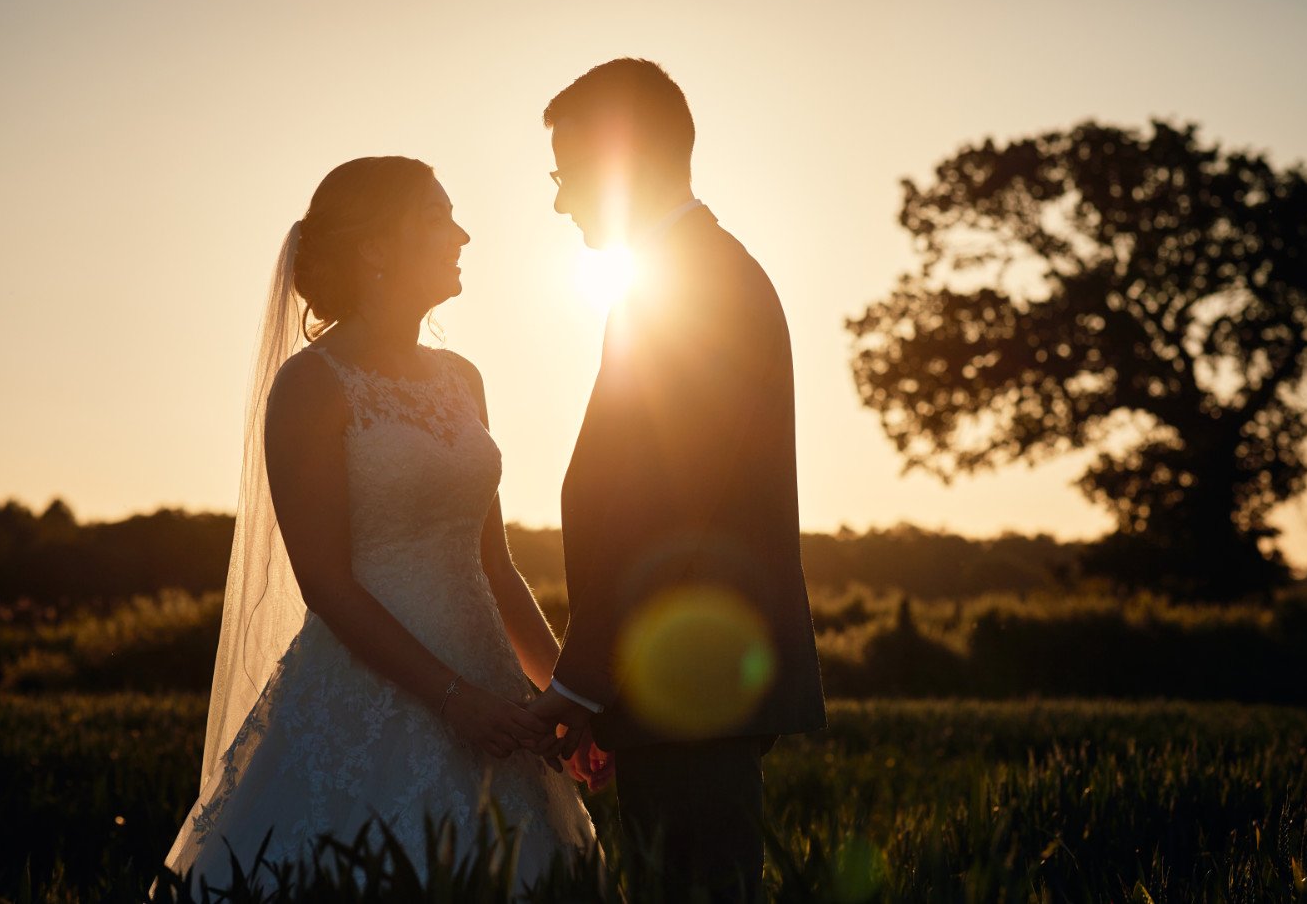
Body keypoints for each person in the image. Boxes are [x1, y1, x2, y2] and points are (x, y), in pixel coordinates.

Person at [162, 157, 600, 892]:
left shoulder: (464, 378)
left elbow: (493, 565)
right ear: (374, 249)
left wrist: (565, 692)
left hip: (491, 684)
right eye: (437, 217)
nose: (462, 233)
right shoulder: (310, 385)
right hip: (372, 690)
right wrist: (455, 700)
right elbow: (328, 585)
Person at [526, 59, 827, 901]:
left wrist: (583, 682)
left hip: (691, 679)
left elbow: (663, 511)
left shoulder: (698, 284)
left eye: (570, 172)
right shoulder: (682, 275)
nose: (560, 200)